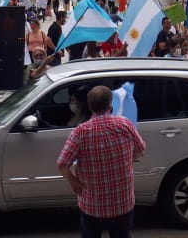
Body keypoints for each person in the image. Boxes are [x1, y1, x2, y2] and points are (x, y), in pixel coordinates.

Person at [56, 85, 146, 238]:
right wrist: (124, 157)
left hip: (92, 207)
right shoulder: (125, 124)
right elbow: (140, 151)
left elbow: (62, 164)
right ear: (110, 105)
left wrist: (73, 181)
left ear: (90, 107)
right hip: (123, 204)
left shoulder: (80, 132)